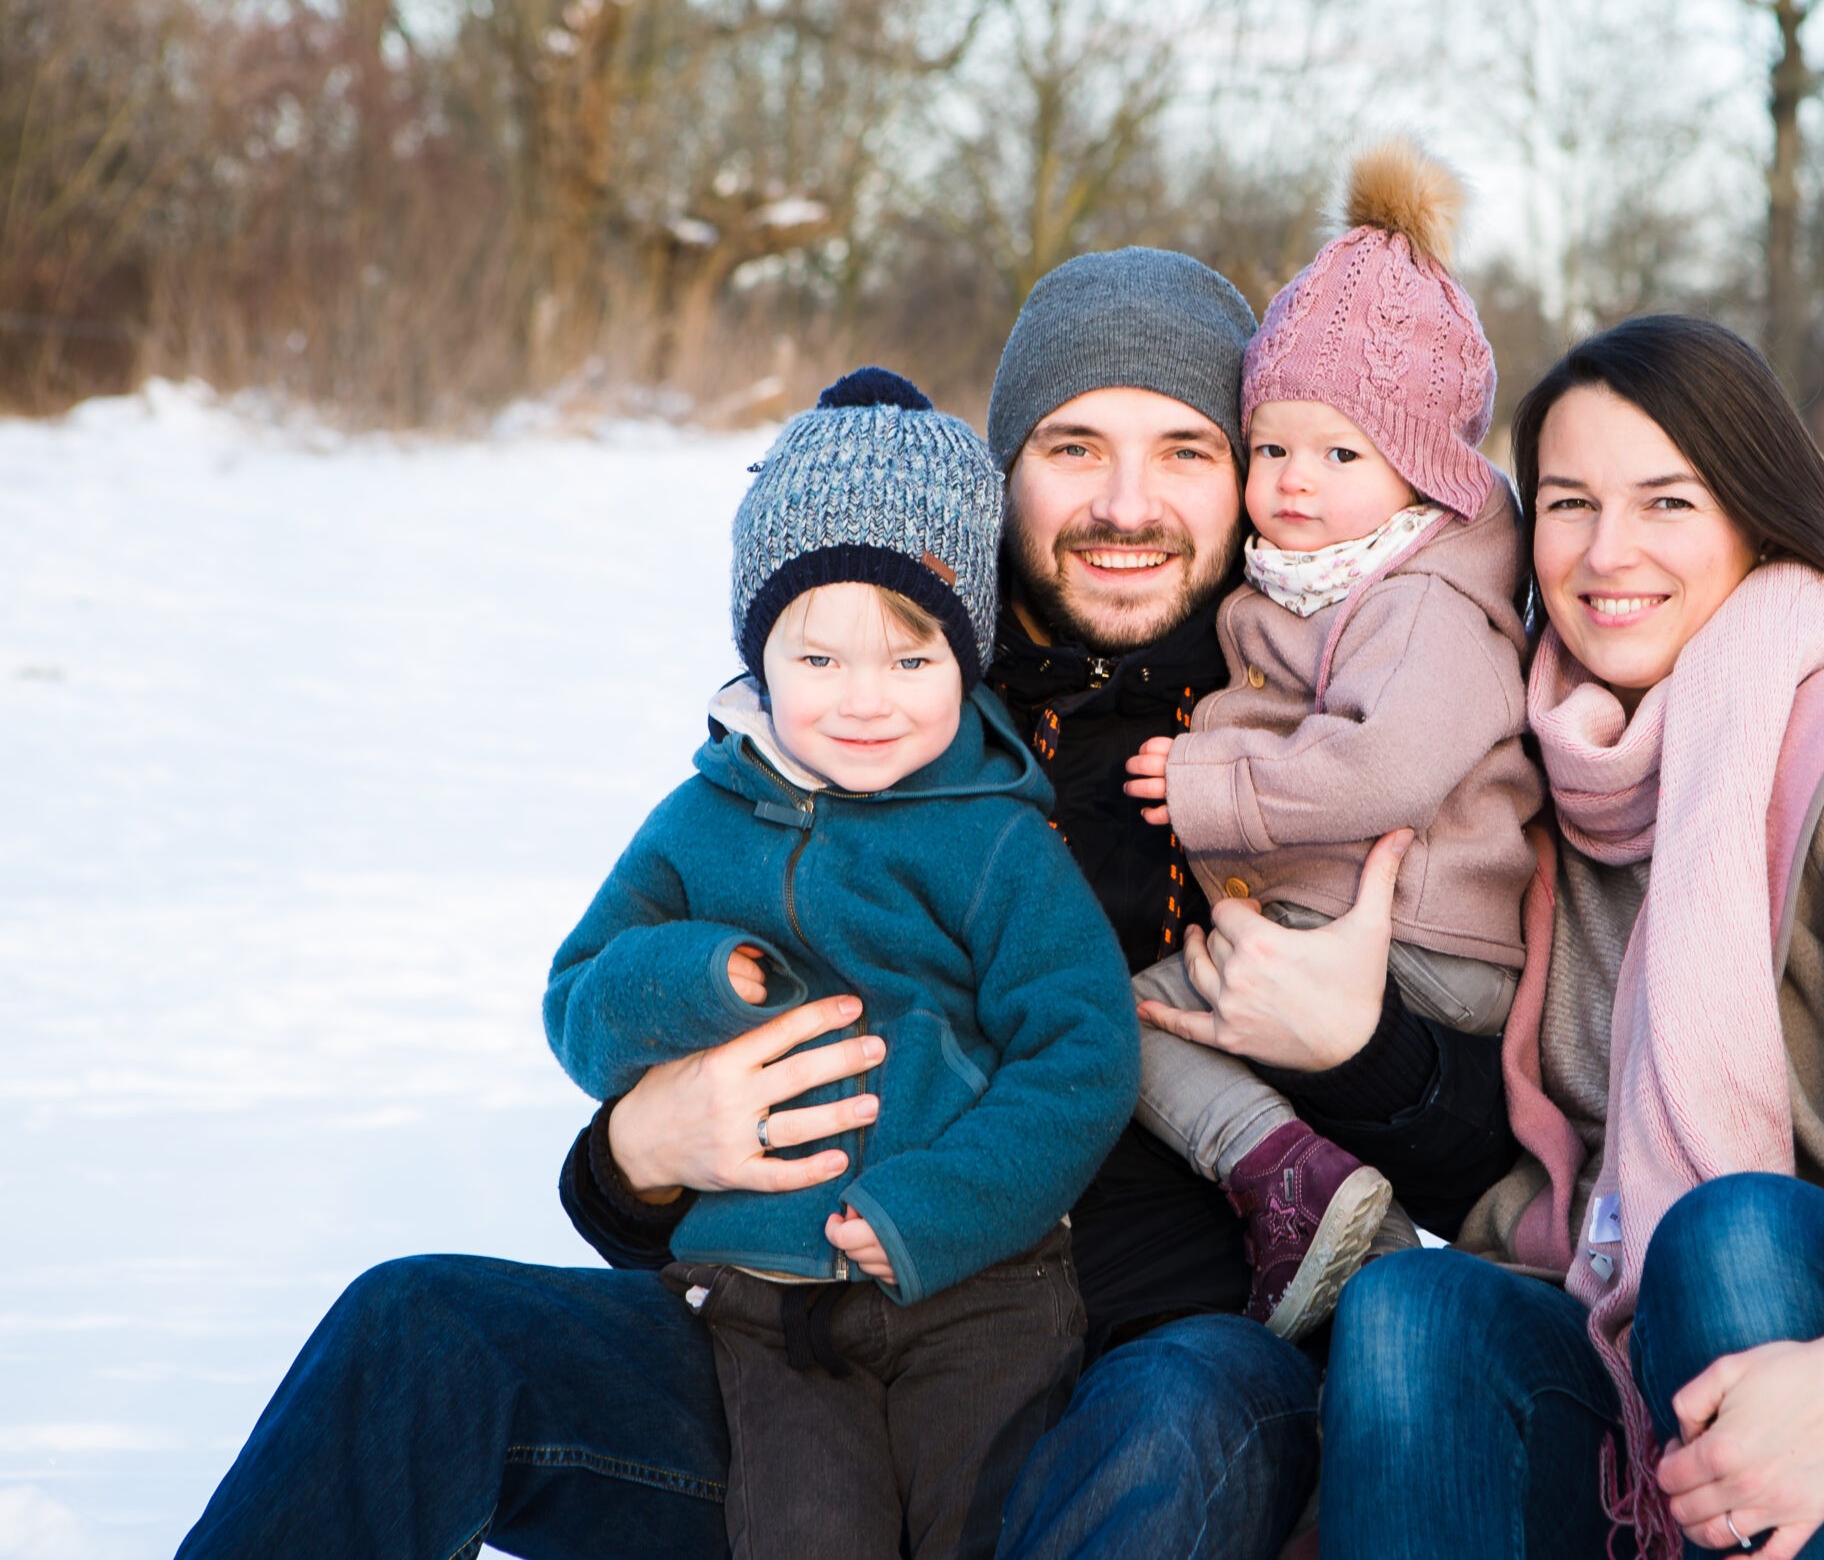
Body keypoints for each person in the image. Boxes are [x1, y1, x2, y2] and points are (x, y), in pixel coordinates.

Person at [178, 247, 1521, 1560]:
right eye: (1069, 446)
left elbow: (1505, 1170)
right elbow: (648, 1015)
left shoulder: (1335, 728)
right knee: (424, 1329)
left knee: (1173, 1418)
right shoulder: (871, 699)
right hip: (811, 1348)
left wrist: (1364, 1052)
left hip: (1150, 1374)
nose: (1127, 501)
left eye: (1184, 448)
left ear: (1252, 475)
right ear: (1001, 472)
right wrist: (634, 1155)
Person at [1233, 316, 1824, 1557]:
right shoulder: (1552, 777)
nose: (1607, 550)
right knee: (1413, 1308)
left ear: (1756, 516)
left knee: (1732, 1234)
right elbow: (1546, 1195)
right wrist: (1351, 1042)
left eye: (1667, 502)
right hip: (1645, 1389)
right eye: (1569, 503)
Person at [542, 368, 1137, 1559]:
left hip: (978, 1290)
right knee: (806, 1531)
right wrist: (693, 978)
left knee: (981, 1525)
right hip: (764, 1300)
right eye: (819, 664)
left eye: (911, 662)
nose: (865, 703)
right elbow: (579, 999)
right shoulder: (702, 819)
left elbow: (1082, 1053)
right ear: (761, 656)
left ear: (967, 659)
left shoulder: (995, 839)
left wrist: (937, 1206)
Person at [1119, 140, 1542, 1340]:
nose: (1294, 482)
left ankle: (1291, 1179)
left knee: (1124, 1020)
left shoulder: (1425, 605)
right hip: (1360, 918)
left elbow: (1385, 765)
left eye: (1340, 454)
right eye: (1272, 448)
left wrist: (1213, 788)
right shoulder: (1321, 574)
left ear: (1420, 471)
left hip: (1418, 935)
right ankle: (1317, 1187)